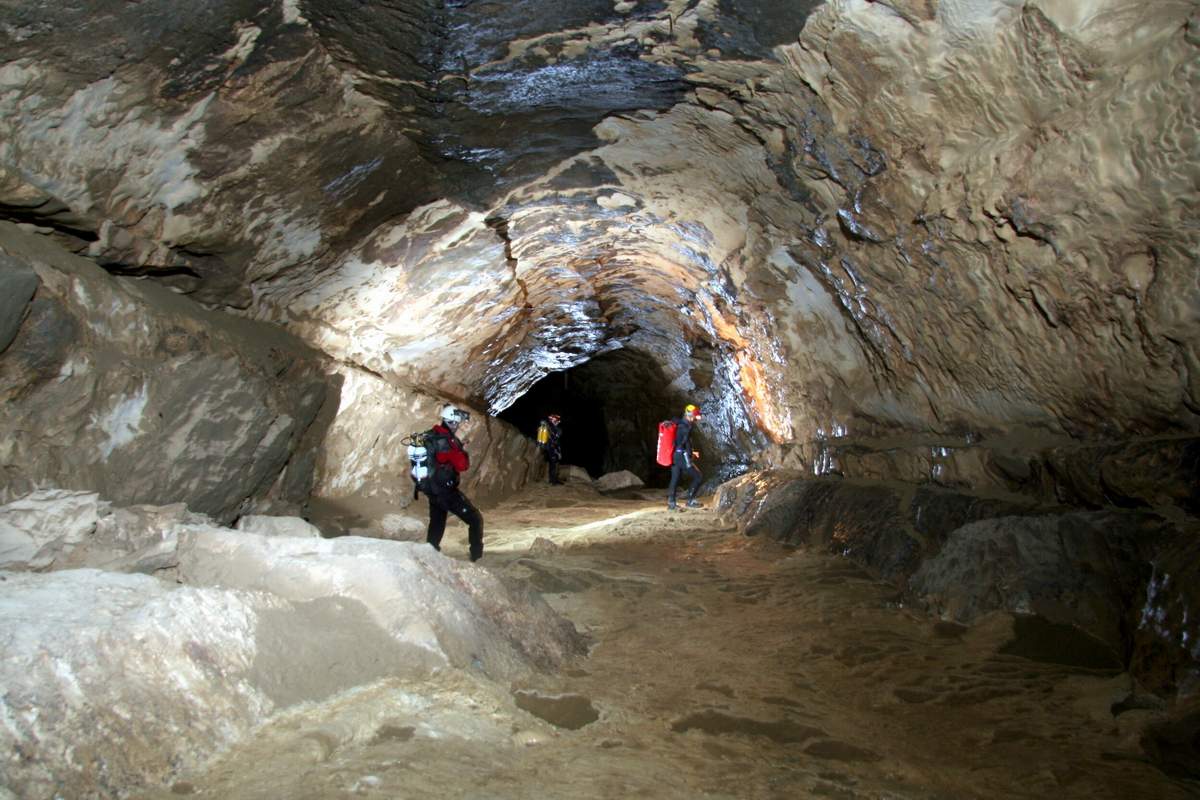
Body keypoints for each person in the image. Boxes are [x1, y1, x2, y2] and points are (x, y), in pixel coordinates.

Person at [423, 404, 484, 562]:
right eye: (457, 422)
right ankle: (477, 556)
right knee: (475, 519)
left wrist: (457, 446)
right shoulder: (446, 440)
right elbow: (462, 465)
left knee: (437, 521)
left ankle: (430, 553)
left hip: (432, 489)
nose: (458, 426)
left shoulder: (432, 435)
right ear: (452, 422)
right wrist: (460, 450)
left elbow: (440, 458)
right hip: (445, 491)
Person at [667, 403, 703, 511]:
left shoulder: (679, 424)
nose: (696, 419)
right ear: (689, 416)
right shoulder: (685, 428)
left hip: (674, 454)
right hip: (681, 456)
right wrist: (690, 454)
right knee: (698, 476)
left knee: (675, 478)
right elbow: (686, 443)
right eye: (695, 416)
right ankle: (690, 501)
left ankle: (671, 503)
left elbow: (679, 442)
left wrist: (692, 452)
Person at [538, 413, 563, 485]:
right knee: (553, 464)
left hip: (552, 448)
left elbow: (555, 439)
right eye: (556, 420)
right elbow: (554, 440)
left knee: (554, 463)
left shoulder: (551, 428)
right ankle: (553, 481)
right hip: (552, 448)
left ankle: (553, 479)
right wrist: (557, 450)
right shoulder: (550, 428)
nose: (557, 422)